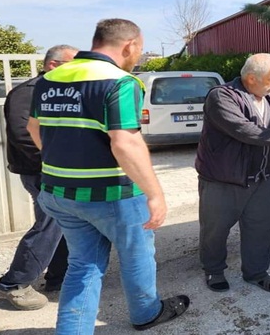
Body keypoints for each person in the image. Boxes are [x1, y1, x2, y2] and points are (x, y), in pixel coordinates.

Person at [27, 19, 189, 334]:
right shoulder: (120, 82)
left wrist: (67, 161)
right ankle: (146, 313)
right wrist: (154, 193)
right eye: (139, 49)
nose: (139, 56)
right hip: (111, 195)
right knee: (137, 253)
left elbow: (34, 129)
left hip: (58, 193)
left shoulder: (49, 79)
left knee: (83, 265)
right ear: (129, 45)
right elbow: (126, 142)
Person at [195, 53, 270, 294]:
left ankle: (256, 272)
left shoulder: (268, 97)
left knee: (261, 227)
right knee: (215, 229)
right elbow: (245, 131)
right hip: (223, 179)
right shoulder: (222, 96)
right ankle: (214, 270)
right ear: (251, 78)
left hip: (261, 177)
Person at [0, 45, 78, 310]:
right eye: (72, 64)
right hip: (40, 172)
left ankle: (58, 277)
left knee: (64, 221)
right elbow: (23, 135)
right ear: (53, 65)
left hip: (58, 171)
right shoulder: (28, 92)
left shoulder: (61, 92)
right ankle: (14, 283)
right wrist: (54, 164)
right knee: (50, 223)